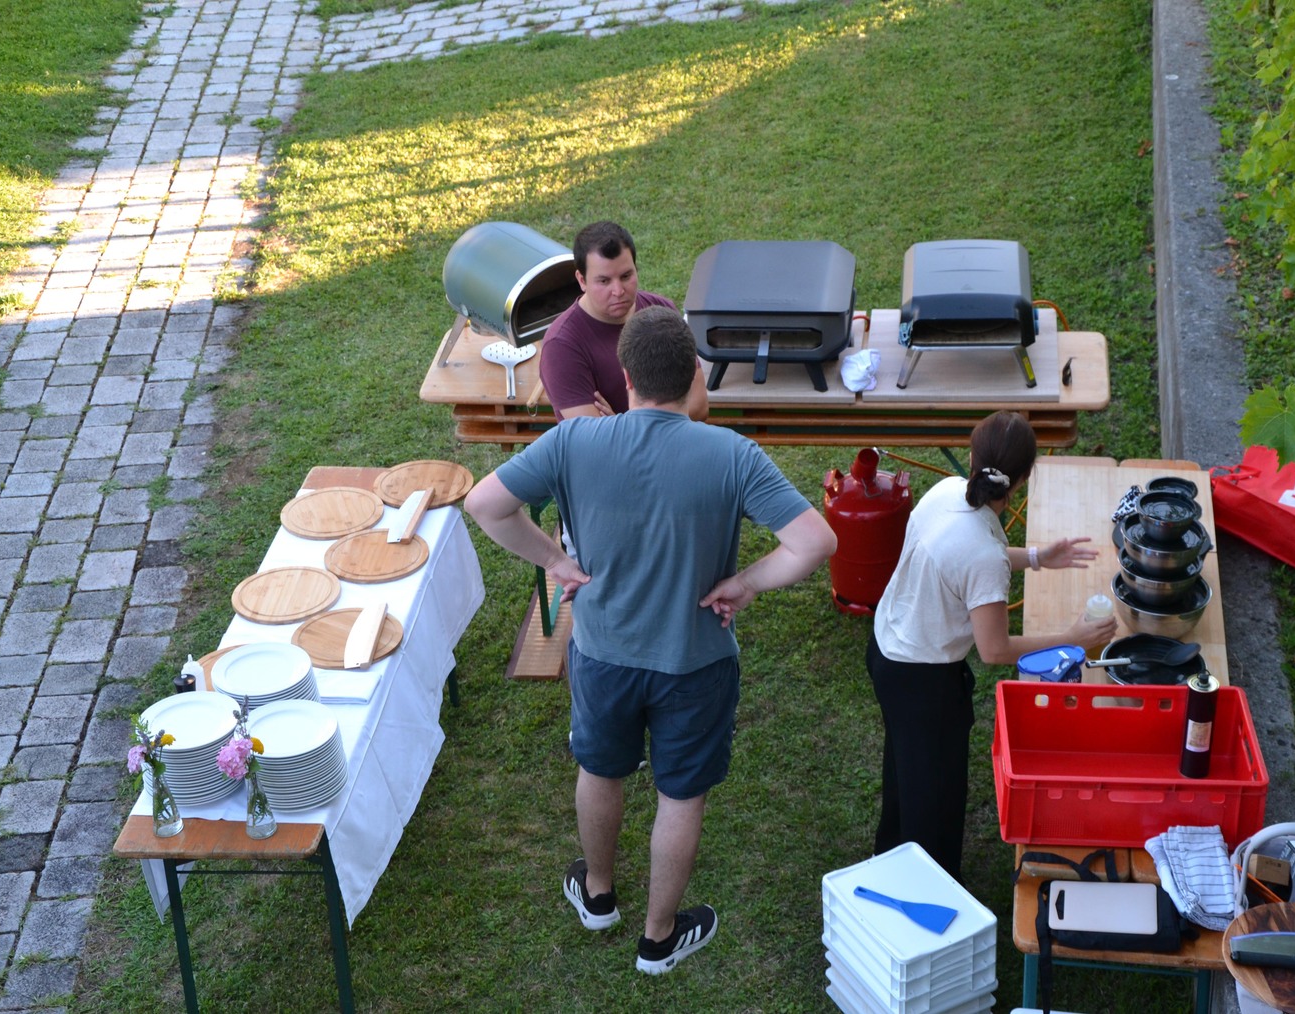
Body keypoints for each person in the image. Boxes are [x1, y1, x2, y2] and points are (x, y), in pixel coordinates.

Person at [464, 305, 836, 975]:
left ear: (626, 376)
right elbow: (814, 542)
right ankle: (658, 940)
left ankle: (598, 896)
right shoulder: (732, 454)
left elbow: (484, 505)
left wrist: (553, 561)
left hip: (601, 654)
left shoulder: (573, 441)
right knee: (680, 797)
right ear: (694, 375)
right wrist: (746, 583)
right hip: (695, 663)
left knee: (600, 770)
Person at [865, 411, 1116, 881]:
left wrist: (1038, 557)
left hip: (885, 649)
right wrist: (1074, 639)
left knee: (905, 771)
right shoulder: (982, 554)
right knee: (934, 801)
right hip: (923, 683)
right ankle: (930, 888)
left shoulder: (946, 493)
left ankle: (890, 856)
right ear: (1022, 480)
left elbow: (971, 559)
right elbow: (995, 649)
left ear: (972, 457)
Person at [539, 220, 707, 421]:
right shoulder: (562, 345)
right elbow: (592, 436)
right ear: (582, 280)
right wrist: (666, 417)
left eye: (626, 276)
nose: (618, 291)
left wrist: (621, 424)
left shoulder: (662, 313)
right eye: (604, 281)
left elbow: (699, 406)